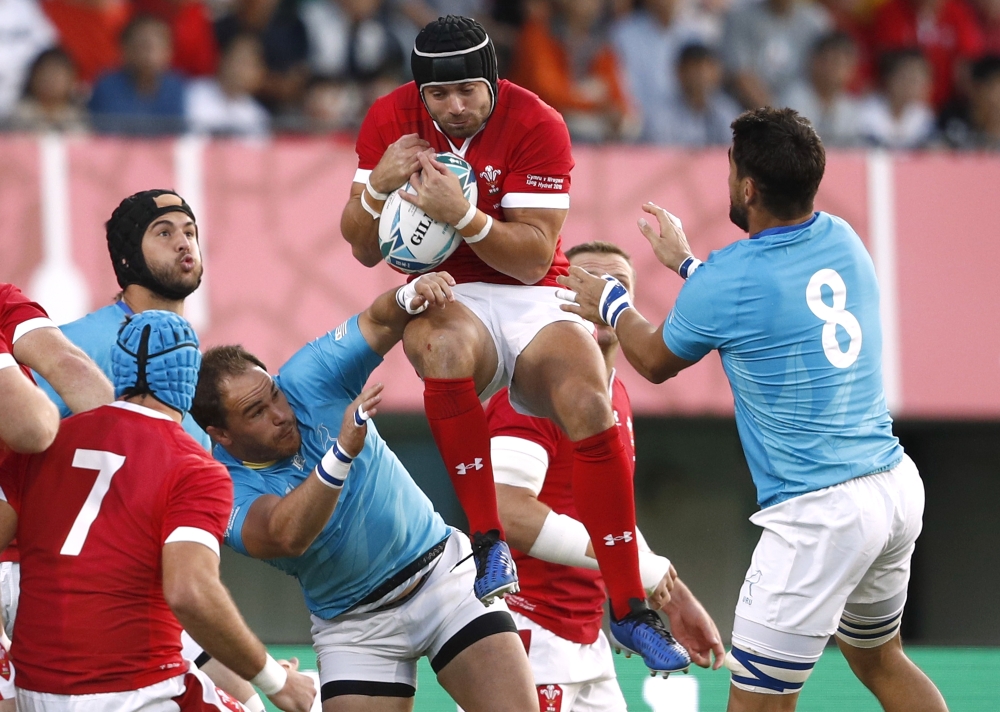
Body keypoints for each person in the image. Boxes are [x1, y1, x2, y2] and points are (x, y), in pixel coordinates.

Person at [557, 107, 948, 712]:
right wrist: (688, 267)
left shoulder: (730, 277)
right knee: (880, 659)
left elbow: (656, 360)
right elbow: (759, 295)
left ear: (746, 188)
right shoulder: (842, 235)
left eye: (731, 168)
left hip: (821, 513)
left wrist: (611, 300)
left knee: (758, 705)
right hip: (894, 485)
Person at [339, 14, 687, 675]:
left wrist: (463, 216)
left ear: (493, 80)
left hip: (531, 291)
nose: (455, 107)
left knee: (590, 401)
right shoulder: (390, 118)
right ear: (421, 93)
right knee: (441, 354)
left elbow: (532, 260)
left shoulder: (537, 123)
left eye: (468, 91)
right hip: (450, 294)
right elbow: (360, 245)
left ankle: (629, 607)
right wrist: (379, 186)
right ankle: (488, 539)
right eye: (439, 96)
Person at [188, 273, 538, 712]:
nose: (280, 414)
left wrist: (409, 294)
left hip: (442, 578)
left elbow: (377, 321)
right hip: (355, 627)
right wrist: (339, 455)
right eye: (256, 412)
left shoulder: (307, 376)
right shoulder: (217, 486)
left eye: (273, 394)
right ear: (221, 435)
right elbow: (284, 534)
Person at [0, 310, 316, 712]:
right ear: (187, 380)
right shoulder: (193, 466)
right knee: (252, 705)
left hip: (35, 690)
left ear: (117, 367)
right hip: (135, 690)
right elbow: (190, 592)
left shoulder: (51, 442)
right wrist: (278, 681)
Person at [35, 189, 262, 710]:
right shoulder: (70, 349)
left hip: (151, 603)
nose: (185, 242)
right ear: (127, 258)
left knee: (248, 698)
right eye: (164, 232)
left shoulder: (188, 374)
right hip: (64, 609)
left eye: (190, 231)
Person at [487, 241, 725, 711]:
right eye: (583, 281)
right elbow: (507, 511)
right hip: (527, 637)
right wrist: (640, 567)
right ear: (556, 292)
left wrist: (672, 598)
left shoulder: (615, 394)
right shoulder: (532, 387)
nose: (599, 294)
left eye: (614, 286)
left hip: (588, 642)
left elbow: (607, 515)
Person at [0, 279, 115, 690]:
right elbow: (33, 426)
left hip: (35, 560)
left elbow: (75, 372)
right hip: (42, 564)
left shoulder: (5, 299)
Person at [89, 14, 187, 135]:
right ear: (125, 49)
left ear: (168, 51)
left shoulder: (176, 87)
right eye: (142, 45)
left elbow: (177, 137)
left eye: (155, 46)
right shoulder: (106, 86)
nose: (148, 53)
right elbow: (102, 135)